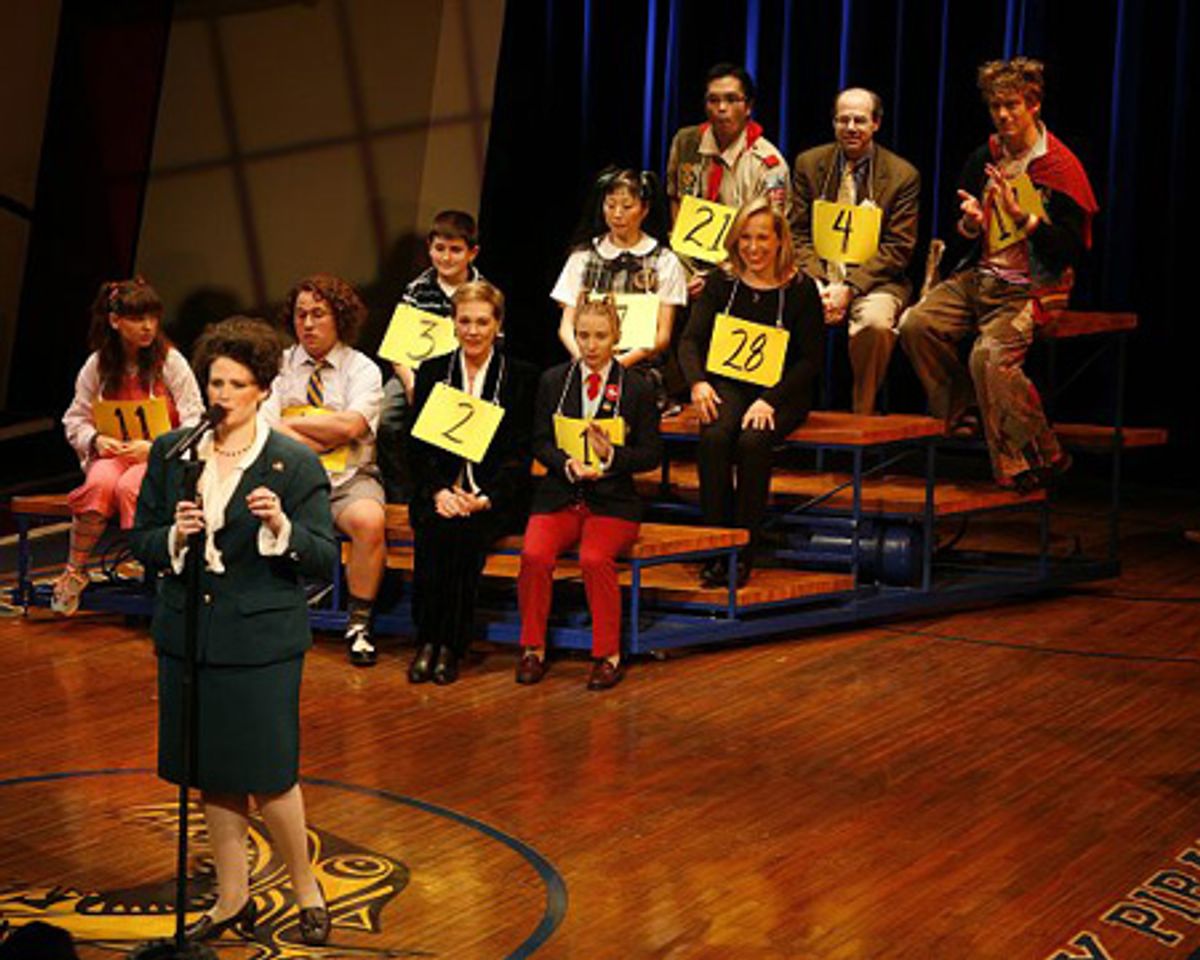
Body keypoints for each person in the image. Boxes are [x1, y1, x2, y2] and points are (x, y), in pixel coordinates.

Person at [130, 317, 337, 947]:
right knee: (212, 771)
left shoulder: (294, 463)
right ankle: (231, 897)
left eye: (234, 383)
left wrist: (281, 528)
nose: (220, 394)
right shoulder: (173, 453)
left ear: (260, 390)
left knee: (269, 773)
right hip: (190, 633)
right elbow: (142, 539)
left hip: (260, 642)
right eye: (214, 381)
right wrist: (173, 536)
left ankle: (307, 888)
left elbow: (324, 556)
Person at [899, 57, 1098, 493]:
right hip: (982, 276)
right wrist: (970, 223)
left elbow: (1069, 249)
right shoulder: (985, 157)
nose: (1004, 116)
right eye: (995, 107)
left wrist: (1025, 220)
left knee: (988, 356)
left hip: (1032, 287)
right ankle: (962, 409)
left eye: (1012, 105)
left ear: (1034, 105)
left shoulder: (1059, 168)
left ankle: (1038, 455)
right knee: (916, 323)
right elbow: (968, 230)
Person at [516, 297, 662, 690]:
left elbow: (652, 453)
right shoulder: (553, 380)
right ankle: (532, 648)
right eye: (583, 335)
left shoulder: (637, 387)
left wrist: (611, 456)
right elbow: (539, 441)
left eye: (600, 336)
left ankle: (607, 655)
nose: (591, 345)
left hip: (612, 501)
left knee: (595, 558)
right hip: (561, 493)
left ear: (616, 336)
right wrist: (566, 463)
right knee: (534, 554)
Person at [679, 197, 824, 586]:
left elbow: (811, 360)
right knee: (714, 436)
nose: (753, 247)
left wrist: (769, 399)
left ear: (780, 241)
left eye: (762, 238)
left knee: (753, 441)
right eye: (745, 238)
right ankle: (715, 546)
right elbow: (690, 341)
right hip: (728, 383)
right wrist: (698, 382)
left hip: (781, 390)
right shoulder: (720, 283)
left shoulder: (800, 288)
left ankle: (744, 550)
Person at [406, 281, 537, 684]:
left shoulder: (519, 376)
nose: (473, 330)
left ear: (497, 324)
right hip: (441, 491)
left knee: (463, 538)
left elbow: (519, 454)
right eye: (465, 321)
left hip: (493, 497)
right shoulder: (433, 372)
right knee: (433, 533)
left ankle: (450, 646)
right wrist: (439, 491)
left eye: (482, 322)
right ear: (453, 323)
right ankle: (426, 641)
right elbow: (416, 447)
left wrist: (484, 497)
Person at [54, 277, 203, 615]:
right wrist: (96, 439)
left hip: (158, 459)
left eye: (152, 317)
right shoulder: (98, 364)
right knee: (101, 481)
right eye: (137, 319)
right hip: (115, 455)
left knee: (131, 486)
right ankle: (74, 570)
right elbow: (74, 418)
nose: (148, 327)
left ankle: (157, 571)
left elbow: (196, 420)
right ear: (115, 321)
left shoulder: (171, 361)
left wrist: (155, 449)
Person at [262, 274, 387, 666]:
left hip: (348, 480)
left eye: (319, 314)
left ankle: (359, 625)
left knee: (369, 521)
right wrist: (325, 431)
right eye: (301, 315)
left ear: (340, 318)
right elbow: (264, 430)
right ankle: (267, 613)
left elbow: (352, 428)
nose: (308, 324)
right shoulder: (276, 366)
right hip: (289, 479)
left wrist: (293, 424)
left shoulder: (362, 368)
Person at [789, 87, 920, 414]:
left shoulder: (902, 175)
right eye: (843, 119)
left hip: (874, 281)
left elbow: (898, 248)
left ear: (876, 124)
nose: (850, 127)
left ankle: (863, 410)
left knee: (875, 325)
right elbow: (797, 233)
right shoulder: (809, 164)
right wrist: (819, 283)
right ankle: (785, 410)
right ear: (833, 123)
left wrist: (849, 289)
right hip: (816, 276)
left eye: (859, 120)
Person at [551, 167, 687, 407]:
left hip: (641, 367)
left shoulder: (664, 261)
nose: (617, 214)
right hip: (586, 361)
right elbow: (565, 327)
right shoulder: (583, 257)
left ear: (644, 209)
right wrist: (587, 360)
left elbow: (662, 335)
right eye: (610, 205)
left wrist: (615, 365)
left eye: (626, 206)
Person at [378, 210, 485, 503]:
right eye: (440, 249)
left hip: (464, 374)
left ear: (472, 253)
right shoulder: (416, 289)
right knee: (387, 415)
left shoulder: (483, 292)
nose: (446, 257)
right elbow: (398, 350)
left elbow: (491, 344)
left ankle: (460, 491)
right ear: (429, 248)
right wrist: (413, 384)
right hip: (414, 372)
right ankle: (401, 494)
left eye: (455, 250)